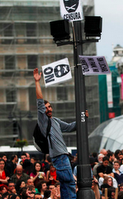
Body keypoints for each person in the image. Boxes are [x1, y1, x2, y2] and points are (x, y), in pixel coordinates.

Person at [34, 68, 80, 199]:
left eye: (50, 107)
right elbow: (39, 102)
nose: (48, 109)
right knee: (70, 183)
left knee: (66, 184)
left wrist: (83, 118)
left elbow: (71, 127)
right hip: (59, 157)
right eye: (46, 107)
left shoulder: (55, 121)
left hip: (62, 157)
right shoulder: (43, 121)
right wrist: (37, 82)